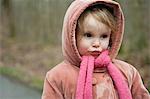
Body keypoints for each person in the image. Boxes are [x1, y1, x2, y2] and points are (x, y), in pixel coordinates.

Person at [41, 0, 150, 99]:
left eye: (104, 36)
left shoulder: (127, 72)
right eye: (88, 35)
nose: (97, 44)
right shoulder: (57, 76)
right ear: (72, 36)